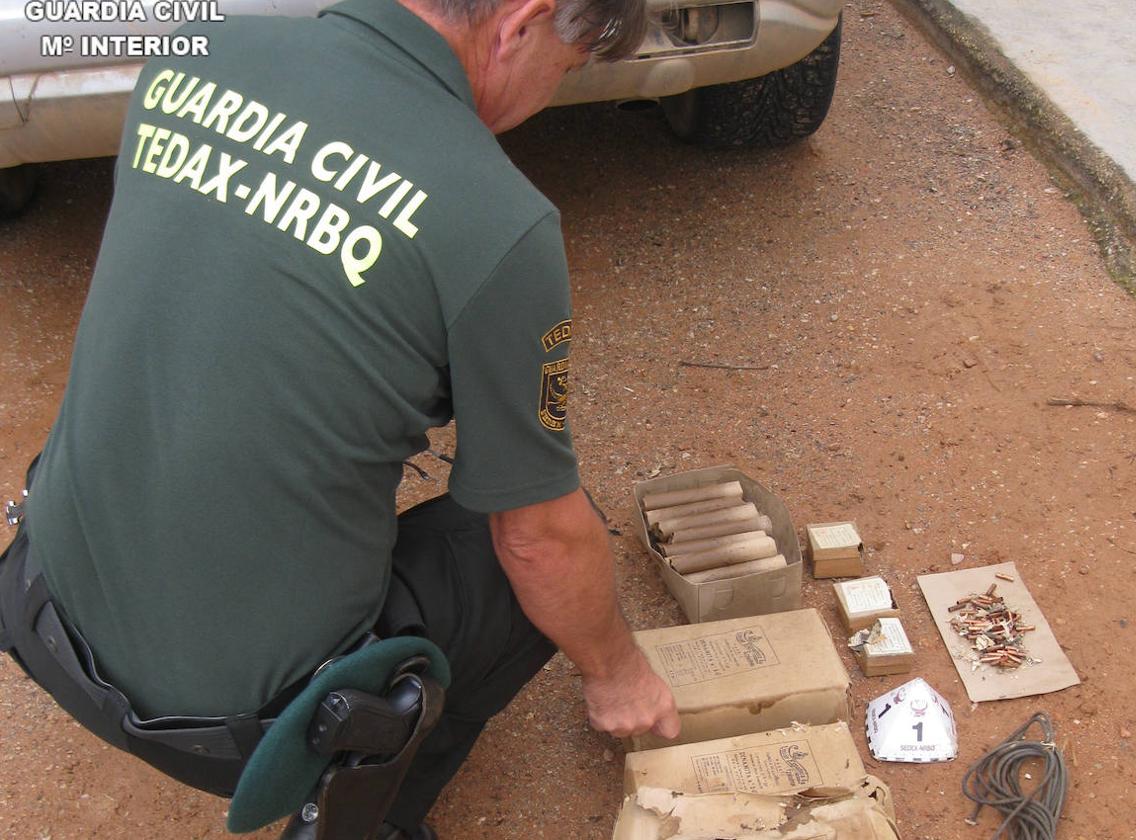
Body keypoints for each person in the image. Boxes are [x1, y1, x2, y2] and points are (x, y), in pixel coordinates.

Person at [0, 0, 681, 837]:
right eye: (567, 68)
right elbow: (538, 539)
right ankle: (367, 814)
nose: (550, 95)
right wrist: (618, 672)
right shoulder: (498, 220)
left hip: (41, 605)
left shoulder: (207, 48)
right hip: (238, 733)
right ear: (522, 25)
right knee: (526, 567)